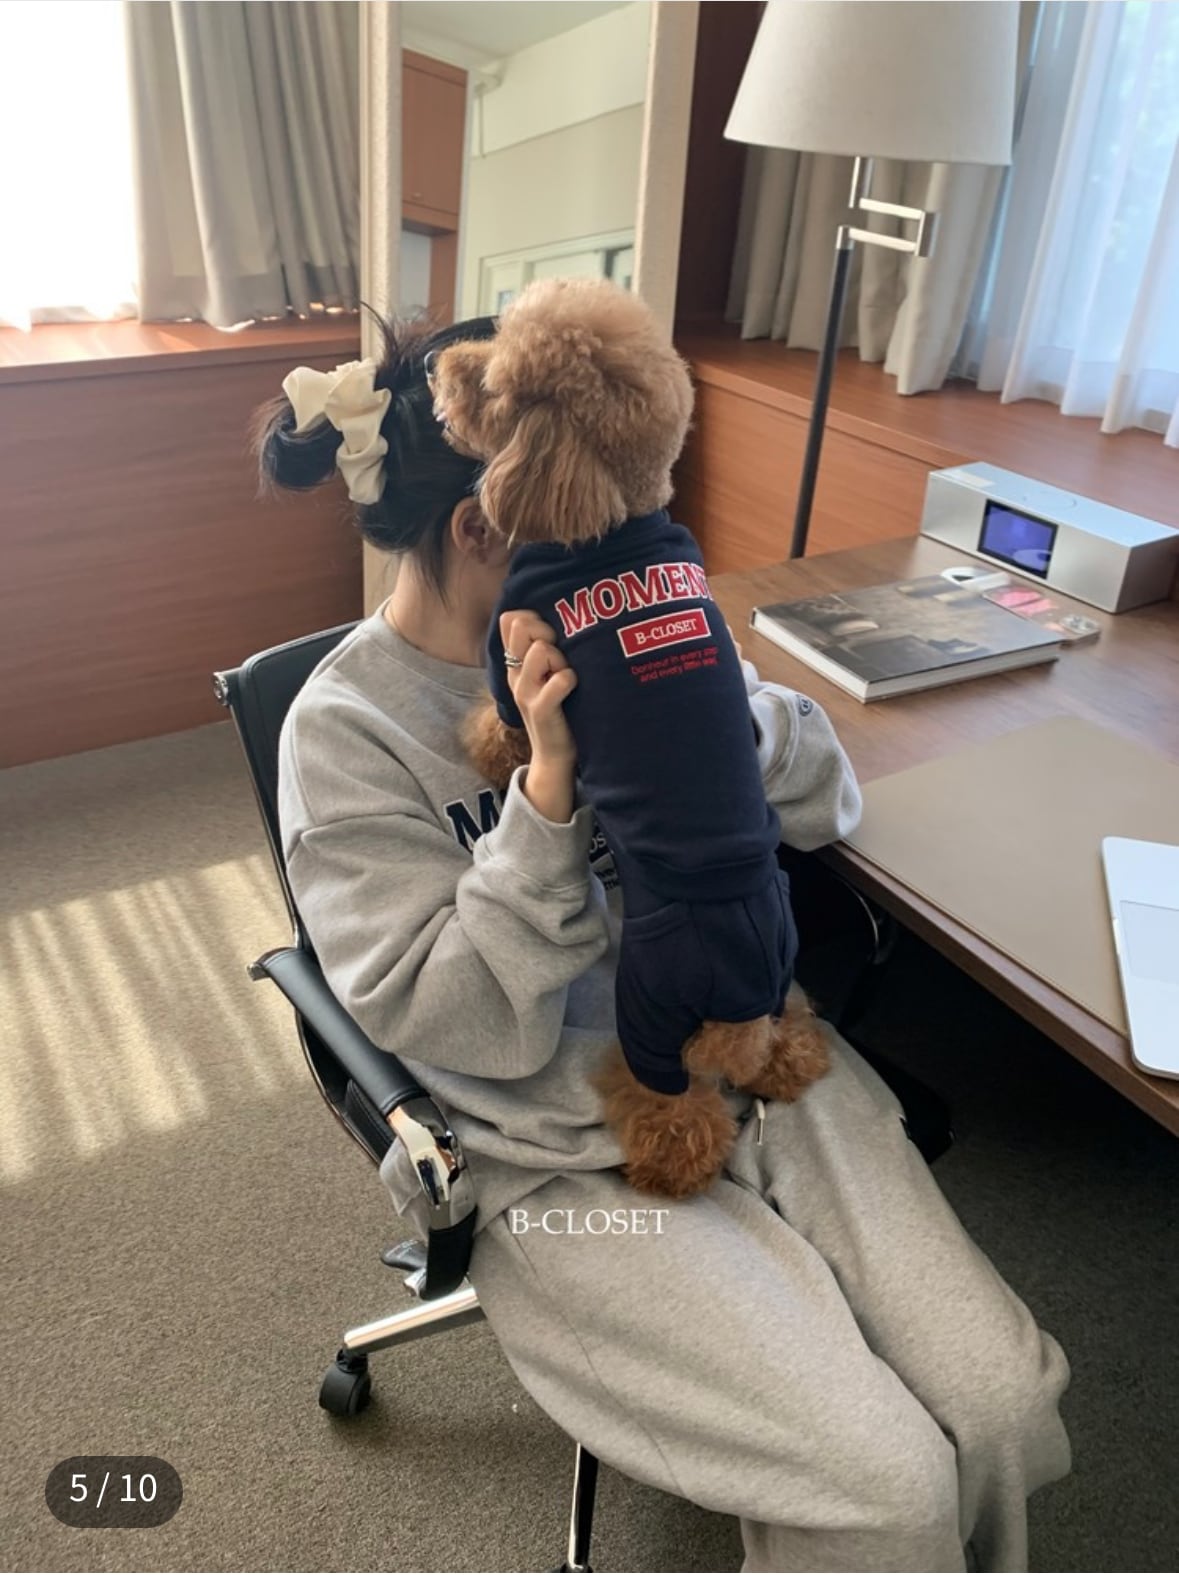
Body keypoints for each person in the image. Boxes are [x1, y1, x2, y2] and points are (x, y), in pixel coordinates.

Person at [253, 312, 1071, 1573]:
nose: (627, 536)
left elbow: (825, 799)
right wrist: (544, 804)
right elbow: (453, 1019)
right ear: (487, 529)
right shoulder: (345, 734)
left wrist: (716, 716)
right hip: (556, 1154)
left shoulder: (625, 604)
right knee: (885, 1482)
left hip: (754, 1058)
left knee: (1003, 1406)